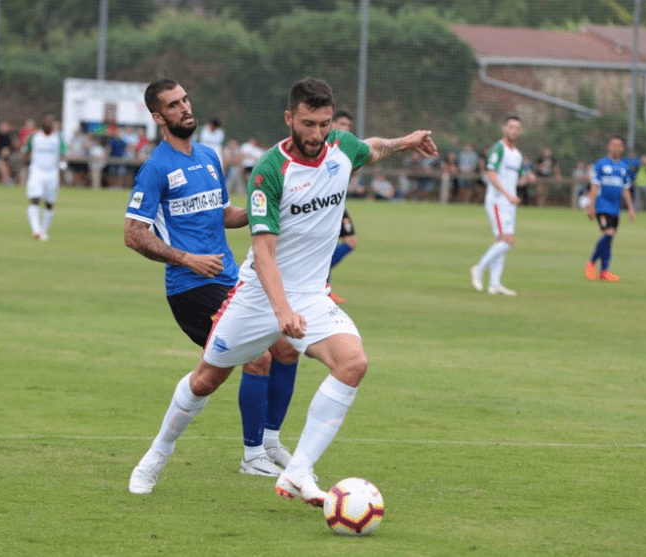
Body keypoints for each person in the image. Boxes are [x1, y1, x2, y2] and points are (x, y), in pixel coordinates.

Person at [127, 77, 438, 504]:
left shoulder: (341, 149)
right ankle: (157, 454)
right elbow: (263, 251)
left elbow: (373, 147)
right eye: (308, 124)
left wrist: (407, 141)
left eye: (324, 124)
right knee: (206, 379)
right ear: (289, 118)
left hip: (311, 293)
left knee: (353, 363)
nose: (316, 134)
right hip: (256, 294)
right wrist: (280, 312)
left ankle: (297, 470)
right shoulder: (270, 171)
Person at [123, 79, 300, 478]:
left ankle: (269, 442)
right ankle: (251, 456)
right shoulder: (155, 168)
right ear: (158, 117)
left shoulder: (207, 156)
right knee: (257, 358)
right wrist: (187, 259)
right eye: (173, 105)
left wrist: (269, 211)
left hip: (232, 282)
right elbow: (134, 234)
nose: (185, 108)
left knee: (288, 348)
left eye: (185, 99)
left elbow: (223, 214)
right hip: (191, 289)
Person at [470, 116, 527, 296]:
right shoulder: (498, 148)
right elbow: (491, 174)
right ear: (504, 128)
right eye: (510, 127)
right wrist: (508, 194)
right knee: (508, 240)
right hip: (497, 200)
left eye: (517, 128)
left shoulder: (517, 154)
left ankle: (494, 284)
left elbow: (520, 178)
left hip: (509, 202)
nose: (514, 130)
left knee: (500, 241)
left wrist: (528, 179)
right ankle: (478, 268)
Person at [584, 135, 635, 282]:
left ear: (622, 148)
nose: (616, 148)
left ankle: (604, 272)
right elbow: (594, 186)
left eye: (619, 145)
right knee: (608, 233)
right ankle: (591, 262)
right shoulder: (600, 164)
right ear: (608, 146)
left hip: (615, 208)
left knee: (609, 239)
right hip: (602, 205)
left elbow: (626, 189)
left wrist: (631, 208)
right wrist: (591, 206)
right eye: (613, 145)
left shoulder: (624, 166)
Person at [326, 110, 358, 304]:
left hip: (338, 203)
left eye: (348, 125)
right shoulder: (326, 145)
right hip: (325, 204)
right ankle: (324, 289)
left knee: (350, 241)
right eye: (342, 124)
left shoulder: (347, 147)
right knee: (328, 244)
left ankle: (324, 286)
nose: (345, 128)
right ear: (332, 124)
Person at [22, 115, 65, 240]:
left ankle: (43, 230)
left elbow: (63, 154)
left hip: (52, 173)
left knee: (49, 203)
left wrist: (62, 169)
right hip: (37, 172)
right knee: (34, 199)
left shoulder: (58, 138)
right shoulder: (35, 137)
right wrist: (24, 165)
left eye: (50, 123)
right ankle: (36, 230)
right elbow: (26, 150)